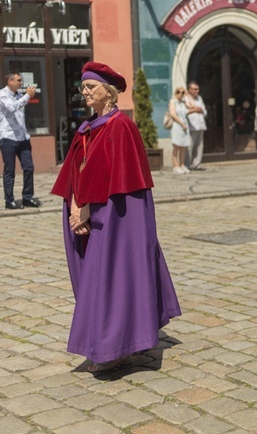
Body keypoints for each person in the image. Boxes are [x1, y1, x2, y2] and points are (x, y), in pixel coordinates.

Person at [51, 62, 181, 372]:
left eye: (91, 87)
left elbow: (118, 180)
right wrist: (73, 206)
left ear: (109, 93)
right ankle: (105, 342)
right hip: (86, 213)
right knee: (95, 281)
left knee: (114, 276)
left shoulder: (121, 127)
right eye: (83, 87)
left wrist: (88, 209)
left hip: (117, 217)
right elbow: (74, 170)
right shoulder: (87, 129)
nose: (84, 92)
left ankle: (117, 346)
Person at [0, 72, 42, 209]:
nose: (21, 82)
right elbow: (12, 107)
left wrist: (25, 96)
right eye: (18, 80)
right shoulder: (2, 95)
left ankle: (27, 197)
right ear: (10, 81)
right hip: (8, 137)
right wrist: (28, 96)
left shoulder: (19, 95)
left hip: (22, 138)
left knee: (29, 167)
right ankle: (9, 200)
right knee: (9, 170)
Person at [169, 86, 192, 175]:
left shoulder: (183, 102)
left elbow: (192, 106)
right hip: (177, 125)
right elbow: (173, 114)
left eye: (182, 92)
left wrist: (187, 96)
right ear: (175, 92)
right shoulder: (173, 101)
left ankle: (182, 165)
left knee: (183, 146)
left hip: (184, 126)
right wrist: (182, 123)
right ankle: (175, 166)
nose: (181, 94)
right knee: (176, 146)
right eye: (179, 92)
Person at [185, 81, 207, 171]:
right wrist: (195, 110)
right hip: (191, 126)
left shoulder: (199, 98)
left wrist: (200, 110)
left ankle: (196, 164)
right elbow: (184, 112)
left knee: (199, 146)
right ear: (189, 90)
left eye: (198, 89)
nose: (197, 91)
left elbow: (204, 111)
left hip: (200, 125)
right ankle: (187, 164)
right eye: (195, 89)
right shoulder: (186, 99)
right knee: (190, 146)